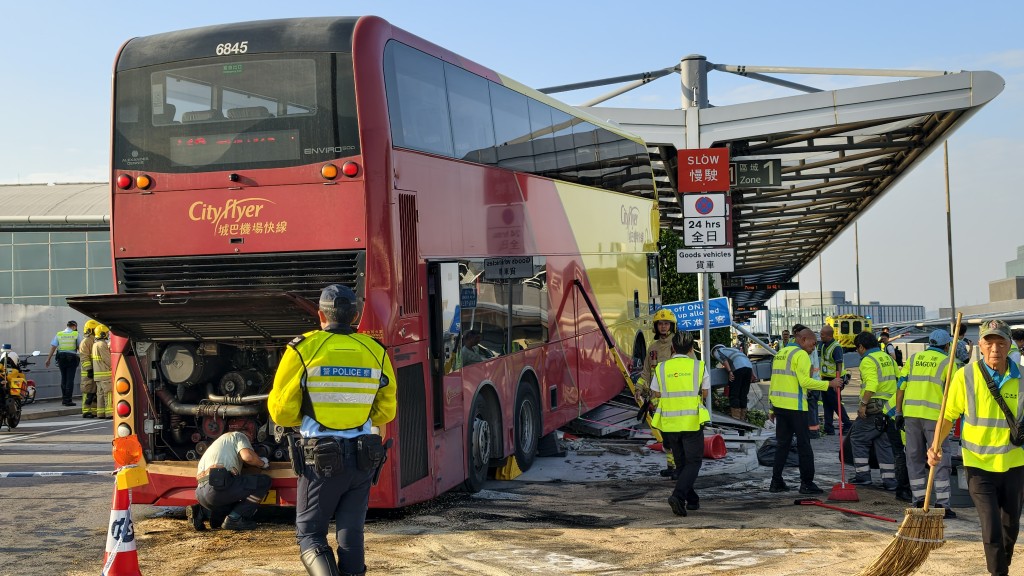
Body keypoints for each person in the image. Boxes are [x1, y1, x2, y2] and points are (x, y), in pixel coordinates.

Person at [268, 284, 397, 576]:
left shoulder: (303, 348)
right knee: (351, 533)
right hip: (364, 456)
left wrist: (307, 417)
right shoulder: (375, 350)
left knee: (310, 534)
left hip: (321, 458)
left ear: (320, 315)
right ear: (355, 315)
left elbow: (281, 411)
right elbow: (386, 410)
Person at [928, 319, 1024, 576]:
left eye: (1000, 343)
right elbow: (948, 415)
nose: (995, 349)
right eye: (989, 343)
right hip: (978, 466)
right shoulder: (965, 376)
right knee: (991, 527)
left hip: (1014, 465)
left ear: (1009, 345)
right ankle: (998, 573)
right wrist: (935, 445)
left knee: (1010, 527)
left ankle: (1001, 565)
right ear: (980, 345)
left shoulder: (1022, 378)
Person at [767, 324, 842, 494]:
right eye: (813, 343)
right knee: (804, 445)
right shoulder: (800, 354)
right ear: (803, 339)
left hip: (780, 406)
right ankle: (807, 483)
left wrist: (771, 406)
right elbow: (805, 382)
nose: (814, 347)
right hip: (796, 407)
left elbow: (774, 381)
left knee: (782, 445)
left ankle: (776, 481)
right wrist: (829, 384)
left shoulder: (781, 352)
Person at [896, 329, 956, 517]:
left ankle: (919, 501)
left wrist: (898, 412)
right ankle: (942, 505)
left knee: (913, 458)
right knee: (940, 457)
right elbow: (954, 394)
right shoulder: (949, 362)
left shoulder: (914, 359)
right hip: (936, 418)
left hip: (911, 415)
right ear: (947, 346)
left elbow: (901, 386)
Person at [650, 330, 709, 516]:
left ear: (672, 348)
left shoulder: (661, 368)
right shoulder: (699, 367)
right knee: (694, 462)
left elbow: (656, 393)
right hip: (691, 421)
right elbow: (705, 393)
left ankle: (692, 500)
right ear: (691, 348)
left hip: (669, 424)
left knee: (682, 463)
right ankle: (678, 496)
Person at [849, 331, 912, 502]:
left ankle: (863, 475)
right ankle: (889, 479)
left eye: (857, 348)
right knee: (883, 442)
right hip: (890, 408)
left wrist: (863, 405)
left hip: (874, 407)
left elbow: (871, 384)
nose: (857, 352)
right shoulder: (888, 358)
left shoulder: (868, 361)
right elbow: (900, 380)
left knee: (857, 437)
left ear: (861, 347)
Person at [189, 431, 272, 531]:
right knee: (263, 482)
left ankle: (200, 512)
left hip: (200, 493)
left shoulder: (215, 445)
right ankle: (234, 520)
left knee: (231, 505)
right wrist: (262, 463)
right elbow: (248, 457)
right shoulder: (238, 435)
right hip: (219, 487)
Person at [638, 308, 679, 478]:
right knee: (666, 437)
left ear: (672, 326)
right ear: (656, 326)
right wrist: (639, 389)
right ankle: (671, 466)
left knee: (675, 436)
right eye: (660, 324)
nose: (663, 326)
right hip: (657, 401)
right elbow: (647, 372)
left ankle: (678, 467)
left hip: (674, 400)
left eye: (666, 323)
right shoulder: (652, 347)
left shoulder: (678, 345)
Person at [817, 325, 851, 436]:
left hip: (835, 378)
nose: (820, 336)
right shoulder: (822, 345)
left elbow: (839, 364)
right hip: (826, 378)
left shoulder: (836, 347)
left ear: (828, 335)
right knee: (827, 404)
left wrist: (837, 381)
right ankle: (828, 427)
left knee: (836, 404)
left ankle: (847, 424)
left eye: (822, 334)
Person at [710, 343, 752, 421]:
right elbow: (746, 360)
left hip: (737, 369)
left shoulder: (717, 351)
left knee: (734, 394)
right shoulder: (734, 350)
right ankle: (743, 419)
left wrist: (729, 371)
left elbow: (724, 360)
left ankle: (736, 419)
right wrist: (753, 374)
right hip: (748, 369)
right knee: (743, 394)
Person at [44, 320, 79, 406]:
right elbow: (80, 347)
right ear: (74, 327)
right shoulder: (75, 334)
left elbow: (53, 347)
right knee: (70, 379)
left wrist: (48, 359)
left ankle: (64, 399)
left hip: (61, 358)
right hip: (71, 359)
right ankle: (68, 400)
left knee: (64, 378)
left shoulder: (59, 334)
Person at [92, 324, 112, 419]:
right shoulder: (102, 344)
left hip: (98, 375)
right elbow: (107, 359)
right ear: (103, 333)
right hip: (105, 375)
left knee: (100, 394)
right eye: (107, 333)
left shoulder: (95, 344)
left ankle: (100, 413)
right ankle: (109, 413)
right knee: (108, 394)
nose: (108, 334)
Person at [78, 319, 98, 418]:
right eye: (94, 329)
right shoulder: (86, 342)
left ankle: (94, 411)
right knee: (88, 391)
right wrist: (89, 369)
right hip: (87, 372)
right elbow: (84, 357)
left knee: (95, 392)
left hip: (96, 370)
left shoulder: (93, 340)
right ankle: (86, 411)